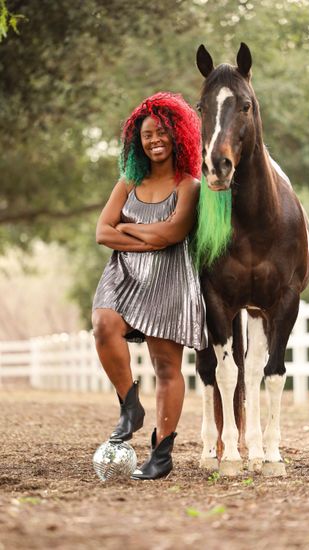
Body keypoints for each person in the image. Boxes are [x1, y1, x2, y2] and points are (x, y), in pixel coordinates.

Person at [92, 92, 208, 480]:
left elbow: (173, 234)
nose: (154, 140)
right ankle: (129, 406)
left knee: (166, 367)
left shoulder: (189, 185)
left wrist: (127, 227)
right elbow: (102, 233)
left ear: (177, 136)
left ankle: (161, 454)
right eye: (146, 135)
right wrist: (144, 236)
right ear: (136, 141)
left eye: (161, 132)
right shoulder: (128, 181)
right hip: (124, 275)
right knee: (104, 324)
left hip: (169, 279)